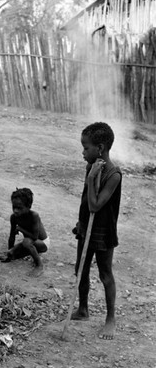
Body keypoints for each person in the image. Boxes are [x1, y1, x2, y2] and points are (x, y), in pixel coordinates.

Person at [72, 122, 122, 340]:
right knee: (80, 269)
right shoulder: (90, 166)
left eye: (86, 147)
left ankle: (110, 319)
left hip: (103, 231)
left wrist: (93, 178)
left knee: (105, 274)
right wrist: (81, 224)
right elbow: (86, 203)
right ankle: (83, 309)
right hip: (86, 227)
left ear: (100, 148)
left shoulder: (113, 175)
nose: (83, 152)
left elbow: (95, 205)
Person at [0, 187, 49, 276]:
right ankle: (16, 253)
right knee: (12, 254)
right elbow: (12, 236)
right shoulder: (13, 217)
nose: (15, 210)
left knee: (26, 241)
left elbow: (34, 237)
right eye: (14, 207)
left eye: (19, 208)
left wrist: (21, 229)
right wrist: (10, 251)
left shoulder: (34, 216)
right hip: (30, 243)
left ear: (28, 206)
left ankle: (39, 265)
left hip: (42, 243)